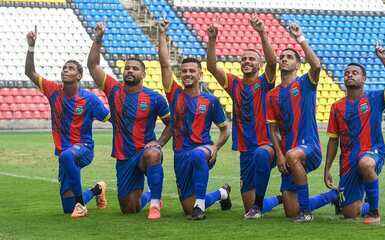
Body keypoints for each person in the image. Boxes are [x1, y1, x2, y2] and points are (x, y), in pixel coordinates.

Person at [87, 22, 171, 219]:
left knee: (152, 155)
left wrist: (159, 143)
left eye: (135, 68)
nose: (130, 71)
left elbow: (172, 124)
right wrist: (98, 38)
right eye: (127, 68)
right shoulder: (114, 89)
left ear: (143, 74)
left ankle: (155, 203)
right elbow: (93, 65)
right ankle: (149, 195)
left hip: (144, 151)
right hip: (124, 156)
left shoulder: (154, 97)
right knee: (128, 209)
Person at [25, 29, 109, 219]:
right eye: (64, 67)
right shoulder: (53, 91)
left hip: (84, 149)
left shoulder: (89, 99)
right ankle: (97, 189)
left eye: (71, 68)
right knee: (66, 208)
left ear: (79, 76)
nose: (66, 70)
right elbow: (29, 72)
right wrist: (31, 46)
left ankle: (81, 205)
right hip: (64, 153)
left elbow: (110, 117)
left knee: (67, 156)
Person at [207, 14, 281, 219]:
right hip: (245, 146)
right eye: (244, 59)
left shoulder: (265, 83)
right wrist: (212, 40)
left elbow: (273, 62)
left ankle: (263, 203)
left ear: (259, 64)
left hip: (266, 144)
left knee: (261, 155)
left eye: (251, 59)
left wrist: (262, 33)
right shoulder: (235, 84)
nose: (247, 61)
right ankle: (279, 199)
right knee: (248, 207)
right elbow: (212, 68)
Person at [266, 22, 341, 222]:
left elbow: (316, 65)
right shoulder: (272, 95)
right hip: (288, 152)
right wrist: (279, 155)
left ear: (298, 64)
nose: (284, 59)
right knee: (291, 210)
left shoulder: (305, 83)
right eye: (282, 57)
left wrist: (300, 38)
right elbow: (272, 129)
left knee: (293, 156)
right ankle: (332, 196)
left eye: (289, 57)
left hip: (309, 147)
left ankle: (306, 213)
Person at [159, 20, 232, 220]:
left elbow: (225, 130)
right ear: (180, 75)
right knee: (187, 207)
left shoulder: (210, 101)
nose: (188, 74)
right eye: (185, 71)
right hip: (180, 153)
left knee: (197, 156)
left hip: (203, 149)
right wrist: (162, 35)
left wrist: (215, 147)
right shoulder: (174, 95)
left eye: (192, 71)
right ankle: (222, 193)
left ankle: (200, 208)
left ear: (200, 74)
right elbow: (165, 65)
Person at [324, 44, 385, 225]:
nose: (350, 74)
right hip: (348, 161)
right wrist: (327, 168)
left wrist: (384, 59)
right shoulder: (336, 107)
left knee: (366, 163)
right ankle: (350, 201)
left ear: (364, 78)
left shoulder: (374, 98)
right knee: (350, 213)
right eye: (347, 73)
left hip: (372, 152)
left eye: (355, 72)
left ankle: (374, 212)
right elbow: (333, 140)